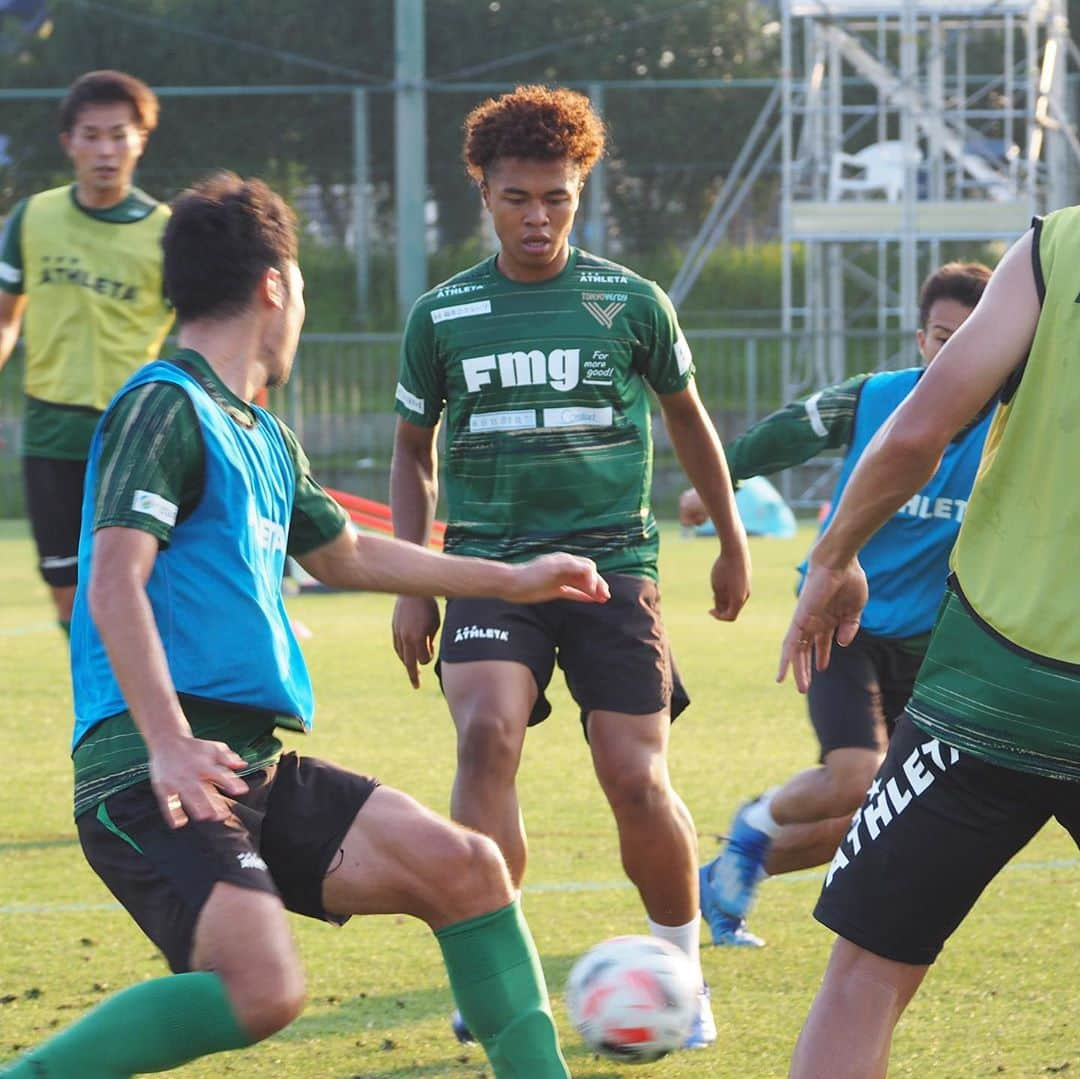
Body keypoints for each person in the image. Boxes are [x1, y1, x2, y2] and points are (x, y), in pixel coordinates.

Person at [1, 173, 611, 1079]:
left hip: (246, 760)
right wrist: (168, 744)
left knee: (468, 869)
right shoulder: (163, 403)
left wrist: (514, 577)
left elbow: (345, 555)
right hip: (151, 768)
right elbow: (114, 581)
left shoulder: (261, 432)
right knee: (262, 989)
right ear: (276, 284)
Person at [390, 84, 751, 1050]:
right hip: (483, 568)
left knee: (634, 776)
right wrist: (415, 582)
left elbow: (688, 419)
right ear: (483, 190)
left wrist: (731, 538)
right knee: (486, 738)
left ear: (580, 188)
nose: (538, 217)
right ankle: (492, 977)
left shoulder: (630, 301)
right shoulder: (444, 315)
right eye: (517, 197)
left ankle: (681, 971)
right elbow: (413, 453)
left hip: (611, 567)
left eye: (556, 195)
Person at [775, 210, 1080, 1078]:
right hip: (988, 684)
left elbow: (918, 429)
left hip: (992, 682)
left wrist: (833, 559)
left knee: (865, 978)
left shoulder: (1057, 245)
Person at [693, 262, 993, 947]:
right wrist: (718, 481)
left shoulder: (1011, 427)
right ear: (921, 340)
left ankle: (732, 869)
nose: (954, 353)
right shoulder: (875, 399)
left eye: (973, 338)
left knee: (890, 814)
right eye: (942, 337)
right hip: (841, 622)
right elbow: (781, 436)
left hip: (933, 646)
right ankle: (755, 826)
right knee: (857, 775)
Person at [0, 70, 174, 635]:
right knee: (67, 594)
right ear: (68, 142)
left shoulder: (169, 234)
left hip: (135, 433)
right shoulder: (32, 217)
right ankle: (101, 718)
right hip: (52, 428)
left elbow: (209, 331)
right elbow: (6, 319)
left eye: (119, 135)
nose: (106, 150)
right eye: (91, 135)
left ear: (141, 140)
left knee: (139, 589)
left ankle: (150, 715)